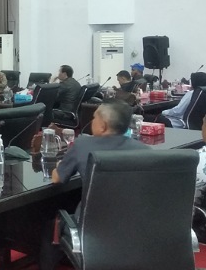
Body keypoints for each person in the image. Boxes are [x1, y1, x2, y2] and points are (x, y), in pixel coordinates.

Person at [41, 99, 148, 270]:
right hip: (134, 228)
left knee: (49, 226)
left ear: (103, 126)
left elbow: (57, 179)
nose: (92, 120)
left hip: (91, 230)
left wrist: (60, 165)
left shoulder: (83, 144)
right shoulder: (144, 150)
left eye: (94, 117)